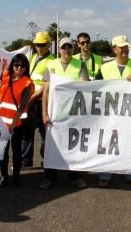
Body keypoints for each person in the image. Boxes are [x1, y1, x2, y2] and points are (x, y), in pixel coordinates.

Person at [95, 35, 131, 188]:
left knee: (130, 143)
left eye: (126, 47)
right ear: (114, 49)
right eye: (121, 47)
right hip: (109, 114)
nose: (124, 50)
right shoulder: (104, 68)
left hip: (130, 114)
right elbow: (96, 89)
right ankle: (105, 175)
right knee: (107, 142)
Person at [40, 38, 88, 189]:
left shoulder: (80, 64)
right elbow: (46, 92)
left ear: (73, 49)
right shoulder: (51, 65)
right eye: (63, 47)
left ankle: (75, 177)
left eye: (69, 47)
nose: (66, 50)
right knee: (51, 145)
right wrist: (44, 112)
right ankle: (49, 178)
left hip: (73, 112)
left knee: (73, 145)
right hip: (54, 113)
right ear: (59, 49)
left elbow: (85, 85)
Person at [0, 54, 34, 188]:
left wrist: (12, 124)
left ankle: (16, 176)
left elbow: (23, 106)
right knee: (2, 152)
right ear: (12, 65)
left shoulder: (27, 83)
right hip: (0, 122)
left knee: (16, 150)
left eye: (22, 66)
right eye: (16, 65)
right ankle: (3, 176)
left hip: (16, 124)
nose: (19, 68)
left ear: (26, 67)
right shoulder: (5, 75)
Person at [20, 32, 55, 168]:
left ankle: (45, 160)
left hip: (42, 101)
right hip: (30, 100)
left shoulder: (52, 62)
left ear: (48, 45)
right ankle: (25, 161)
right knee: (27, 132)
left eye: (42, 45)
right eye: (37, 45)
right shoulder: (33, 57)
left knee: (44, 133)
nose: (39, 47)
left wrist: (33, 96)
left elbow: (47, 85)